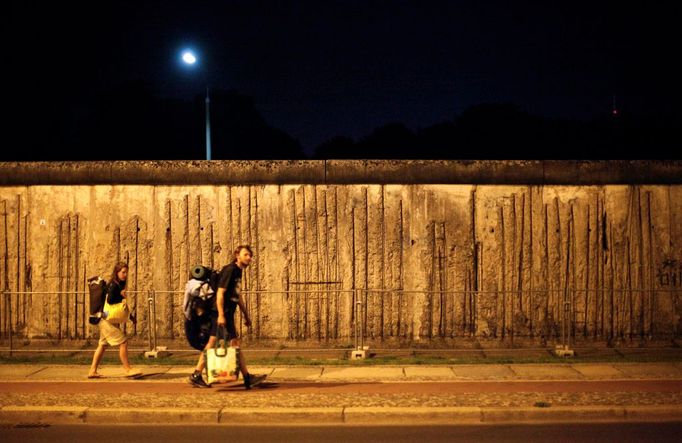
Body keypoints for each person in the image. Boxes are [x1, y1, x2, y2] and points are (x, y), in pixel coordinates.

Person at [188, 245, 266, 389]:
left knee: (215, 343)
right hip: (221, 313)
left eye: (250, 255)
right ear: (237, 255)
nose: (249, 258)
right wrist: (221, 315)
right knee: (232, 344)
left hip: (226, 312)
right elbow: (220, 293)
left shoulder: (238, 272)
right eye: (246, 255)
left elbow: (237, 296)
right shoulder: (230, 270)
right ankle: (247, 378)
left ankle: (196, 374)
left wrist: (246, 315)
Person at [88, 262, 142, 379]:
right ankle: (128, 369)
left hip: (105, 319)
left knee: (102, 345)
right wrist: (121, 295)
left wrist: (131, 317)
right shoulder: (113, 285)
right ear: (117, 272)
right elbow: (112, 300)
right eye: (123, 272)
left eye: (126, 272)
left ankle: (92, 370)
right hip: (106, 320)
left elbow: (120, 306)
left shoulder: (118, 285)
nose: (125, 275)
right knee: (123, 342)